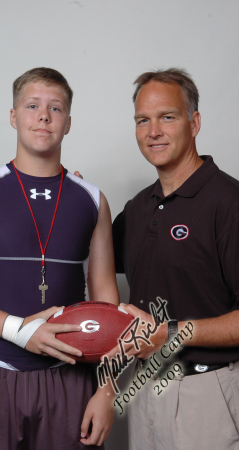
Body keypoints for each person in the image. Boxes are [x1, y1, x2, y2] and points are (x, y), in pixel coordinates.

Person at [0, 67, 119, 449]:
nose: (43, 116)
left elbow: (107, 301)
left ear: (68, 123)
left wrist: (107, 389)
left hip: (69, 374)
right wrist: (18, 331)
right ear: (13, 116)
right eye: (32, 105)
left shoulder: (92, 199)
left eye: (55, 109)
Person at [110, 68, 239, 449]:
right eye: (142, 120)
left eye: (167, 116)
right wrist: (78, 202)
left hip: (207, 392)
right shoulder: (136, 209)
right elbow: (93, 259)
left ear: (194, 122)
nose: (154, 131)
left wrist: (170, 334)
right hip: (144, 387)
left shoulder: (229, 203)